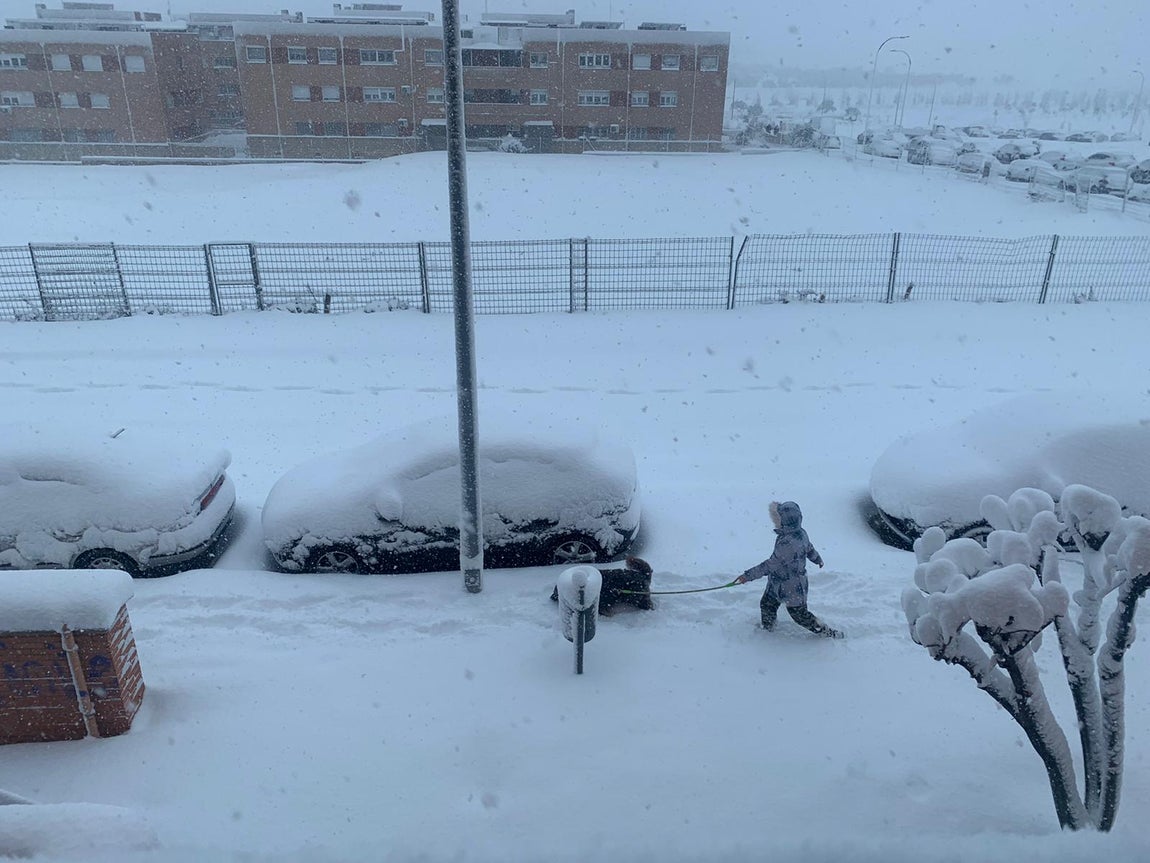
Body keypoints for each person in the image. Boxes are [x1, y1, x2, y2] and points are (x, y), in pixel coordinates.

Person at [734, 501, 843, 638]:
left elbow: (770, 565)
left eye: (777, 518)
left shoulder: (788, 542)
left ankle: (827, 632)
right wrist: (817, 559)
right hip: (777, 582)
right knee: (767, 604)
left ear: (785, 521)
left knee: (799, 615)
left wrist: (747, 576)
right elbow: (809, 548)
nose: (774, 520)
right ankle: (768, 630)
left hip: (792, 585)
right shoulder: (799, 533)